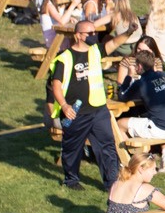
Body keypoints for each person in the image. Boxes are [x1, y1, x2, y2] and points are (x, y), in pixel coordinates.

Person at [50, 33, 117, 190]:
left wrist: (128, 32)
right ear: (78, 35)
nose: (93, 36)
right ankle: (71, 180)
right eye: (89, 33)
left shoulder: (95, 51)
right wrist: (65, 106)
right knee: (72, 148)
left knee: (107, 145)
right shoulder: (64, 58)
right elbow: (56, 86)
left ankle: (112, 183)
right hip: (75, 112)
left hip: (99, 110)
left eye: (94, 32)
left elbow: (114, 43)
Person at [116, 48, 165, 141]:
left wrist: (129, 76)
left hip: (162, 129)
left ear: (140, 66)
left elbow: (122, 96)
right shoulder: (164, 75)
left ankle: (130, 154)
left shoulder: (142, 82)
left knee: (120, 124)